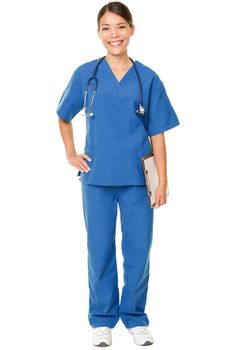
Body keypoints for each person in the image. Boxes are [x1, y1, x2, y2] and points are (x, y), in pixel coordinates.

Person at [56, 1, 180, 346]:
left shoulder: (148, 78)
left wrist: (163, 182)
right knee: (99, 250)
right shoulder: (86, 74)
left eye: (120, 27)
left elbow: (158, 134)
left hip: (138, 182)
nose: (114, 35)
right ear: (98, 33)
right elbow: (64, 116)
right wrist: (70, 153)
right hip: (96, 180)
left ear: (132, 30)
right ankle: (102, 318)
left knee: (139, 251)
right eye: (106, 28)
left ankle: (135, 317)